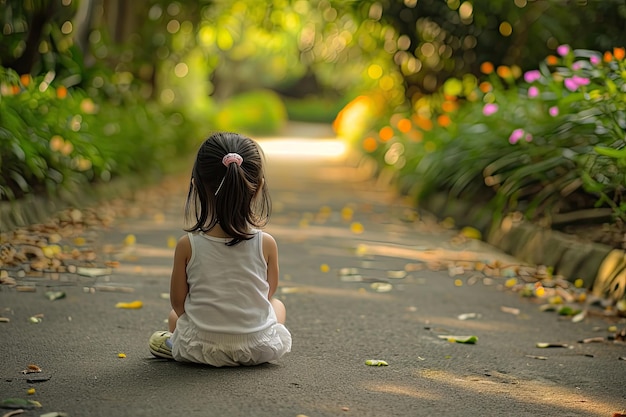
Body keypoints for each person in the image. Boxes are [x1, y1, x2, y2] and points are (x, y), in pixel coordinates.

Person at [148, 132, 291, 366]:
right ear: (258, 187)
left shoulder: (188, 245)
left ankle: (173, 343)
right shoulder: (266, 243)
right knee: (278, 305)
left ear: (196, 185)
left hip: (200, 349)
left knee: (174, 317)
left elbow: (178, 304)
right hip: (257, 349)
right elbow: (267, 294)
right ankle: (243, 341)